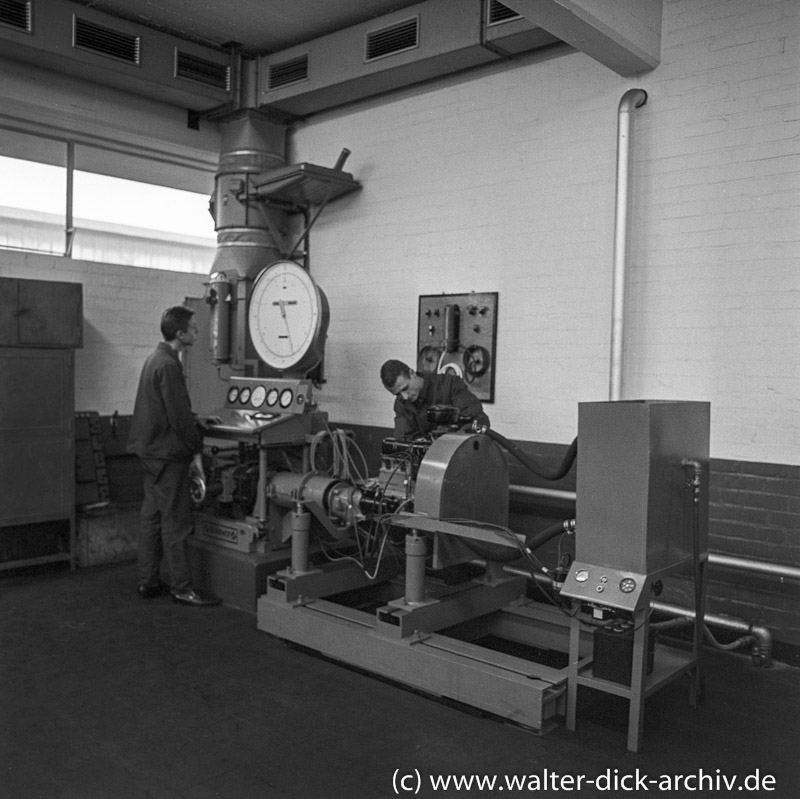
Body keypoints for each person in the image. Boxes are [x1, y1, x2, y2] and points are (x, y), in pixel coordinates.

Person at [127, 305, 220, 607]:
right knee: (176, 522)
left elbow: (171, 407)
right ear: (180, 334)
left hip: (149, 452)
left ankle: (147, 581)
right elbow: (178, 418)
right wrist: (196, 448)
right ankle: (182, 588)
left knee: (151, 517)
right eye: (193, 327)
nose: (197, 331)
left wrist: (195, 417)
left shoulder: (156, 358)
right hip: (167, 455)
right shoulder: (169, 364)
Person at [380, 359, 490, 440]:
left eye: (405, 388)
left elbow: (479, 419)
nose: (405, 397)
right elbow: (403, 437)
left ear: (412, 373)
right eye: (398, 394)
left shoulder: (450, 385)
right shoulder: (401, 404)